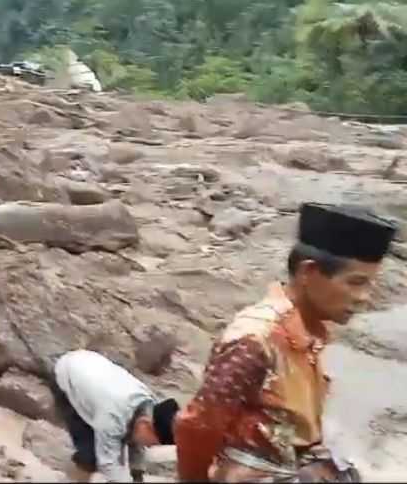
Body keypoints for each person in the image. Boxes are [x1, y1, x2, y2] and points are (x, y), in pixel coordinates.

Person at [174, 202, 398, 483]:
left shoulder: (308, 332)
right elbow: (198, 426)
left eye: (369, 285)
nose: (364, 297)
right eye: (355, 282)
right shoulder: (255, 339)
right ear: (309, 273)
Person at [52, 349, 180, 483]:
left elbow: (136, 442)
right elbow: (108, 463)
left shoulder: (147, 406)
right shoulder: (112, 418)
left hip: (90, 365)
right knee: (90, 455)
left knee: (127, 436)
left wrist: (137, 473)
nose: (149, 446)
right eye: (152, 443)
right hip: (68, 374)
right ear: (146, 424)